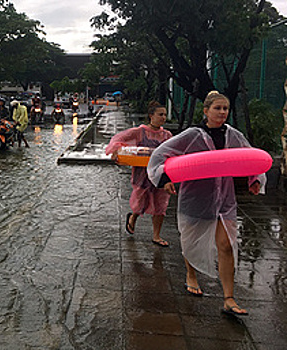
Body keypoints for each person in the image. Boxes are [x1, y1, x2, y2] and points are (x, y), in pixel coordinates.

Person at [147, 91, 266, 316]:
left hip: (225, 200)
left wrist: (255, 180)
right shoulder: (192, 135)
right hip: (196, 197)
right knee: (191, 240)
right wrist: (165, 179)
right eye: (217, 108)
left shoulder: (234, 135)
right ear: (206, 111)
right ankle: (191, 274)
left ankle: (229, 299)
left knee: (227, 245)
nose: (222, 113)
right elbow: (160, 155)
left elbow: (250, 156)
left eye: (226, 109)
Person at [105, 101, 172, 247]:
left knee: (161, 204)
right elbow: (118, 139)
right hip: (142, 174)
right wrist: (117, 151)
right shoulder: (140, 132)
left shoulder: (167, 135)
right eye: (160, 114)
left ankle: (156, 236)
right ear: (151, 116)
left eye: (165, 115)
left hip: (160, 174)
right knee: (140, 202)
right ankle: (133, 218)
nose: (163, 117)